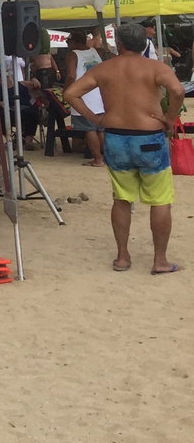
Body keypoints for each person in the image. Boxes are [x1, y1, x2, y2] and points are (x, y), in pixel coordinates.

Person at [66, 21, 186, 274]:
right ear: (143, 43)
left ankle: (122, 257)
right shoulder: (156, 67)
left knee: (121, 198)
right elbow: (177, 91)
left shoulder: (104, 68)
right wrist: (169, 118)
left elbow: (71, 93)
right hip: (149, 137)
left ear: (119, 44)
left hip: (116, 137)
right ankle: (160, 260)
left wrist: (94, 118)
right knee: (160, 199)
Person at [65, 29, 106, 166]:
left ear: (75, 42)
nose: (67, 44)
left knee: (90, 129)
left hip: (82, 96)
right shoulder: (97, 52)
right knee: (100, 129)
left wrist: (67, 90)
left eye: (68, 41)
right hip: (99, 95)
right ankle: (107, 157)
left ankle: (98, 159)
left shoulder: (73, 55)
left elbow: (71, 75)